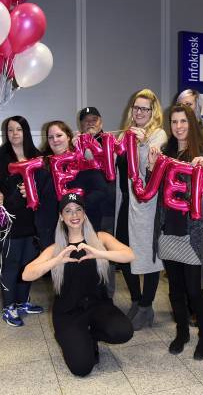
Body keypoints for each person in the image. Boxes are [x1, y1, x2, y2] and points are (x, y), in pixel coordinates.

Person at [22, 193, 134, 377]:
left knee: (123, 331)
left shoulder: (100, 238)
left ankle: (92, 335)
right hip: (69, 313)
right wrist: (56, 261)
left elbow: (129, 255)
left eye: (78, 210)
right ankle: (79, 339)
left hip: (99, 306)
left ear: (84, 213)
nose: (74, 215)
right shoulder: (55, 248)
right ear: (61, 216)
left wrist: (100, 254)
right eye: (68, 211)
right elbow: (27, 274)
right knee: (82, 368)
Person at [149, 103, 203, 360]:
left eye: (183, 121)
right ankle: (181, 333)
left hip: (195, 233)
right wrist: (150, 166)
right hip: (170, 230)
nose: (179, 127)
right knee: (175, 290)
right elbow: (152, 191)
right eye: (175, 122)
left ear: (191, 123)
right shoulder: (166, 155)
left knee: (196, 292)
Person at [0, 116, 45, 327]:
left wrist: (32, 189)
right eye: (10, 130)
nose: (15, 134)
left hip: (32, 219)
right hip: (9, 219)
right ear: (6, 133)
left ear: (26, 131)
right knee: (11, 264)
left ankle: (22, 302)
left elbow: (45, 184)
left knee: (28, 262)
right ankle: (9, 307)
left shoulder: (37, 156)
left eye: (19, 129)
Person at [115, 89, 168, 330]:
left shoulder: (158, 134)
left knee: (148, 255)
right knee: (124, 252)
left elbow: (152, 164)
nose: (139, 112)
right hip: (126, 202)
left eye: (144, 108)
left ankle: (147, 306)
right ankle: (136, 300)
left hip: (147, 204)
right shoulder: (125, 134)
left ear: (153, 111)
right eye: (136, 107)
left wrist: (143, 141)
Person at [36, 120, 108, 246]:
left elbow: (102, 191)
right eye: (51, 137)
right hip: (52, 234)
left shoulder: (83, 160)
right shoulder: (42, 167)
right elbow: (42, 202)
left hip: (84, 230)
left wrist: (77, 205)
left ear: (68, 137)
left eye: (59, 135)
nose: (55, 140)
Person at [77, 107, 117, 298]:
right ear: (81, 124)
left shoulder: (111, 142)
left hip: (106, 208)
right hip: (83, 211)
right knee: (85, 254)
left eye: (94, 119)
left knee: (105, 255)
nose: (91, 123)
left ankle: (106, 298)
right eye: (86, 120)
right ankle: (87, 295)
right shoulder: (75, 144)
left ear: (101, 122)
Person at [176, 89, 203, 154]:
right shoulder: (176, 134)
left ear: (198, 108)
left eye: (188, 104)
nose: (183, 108)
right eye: (180, 105)